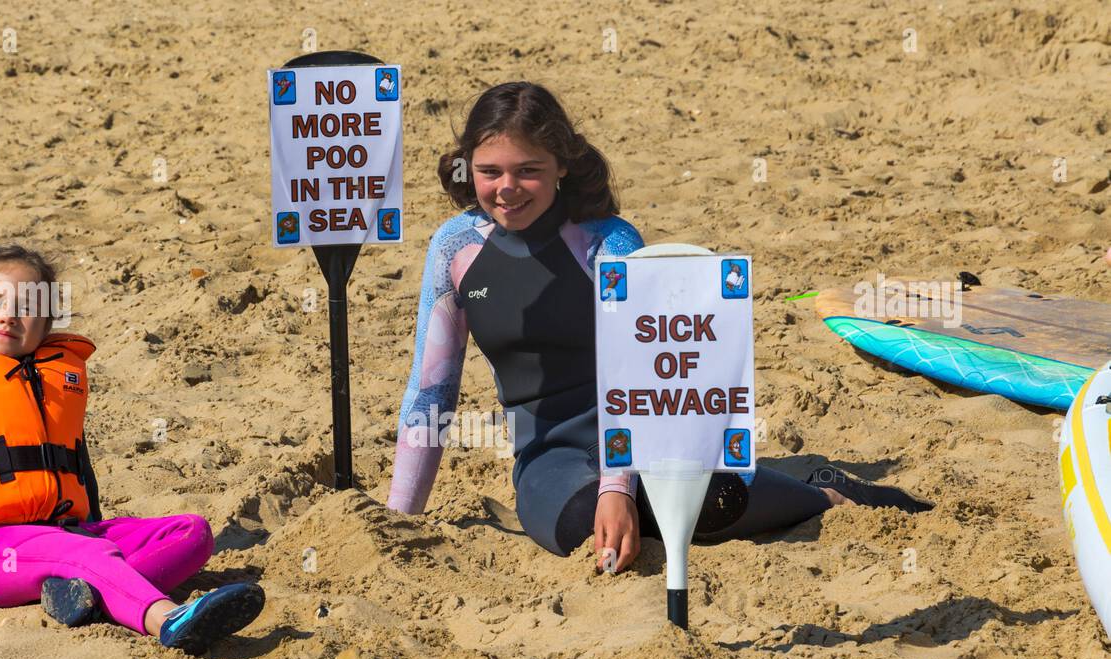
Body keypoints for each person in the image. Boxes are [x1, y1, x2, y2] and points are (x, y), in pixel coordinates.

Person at [386, 82, 931, 572]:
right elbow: (432, 389)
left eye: (528, 169)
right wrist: (399, 520)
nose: (508, 188)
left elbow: (642, 373)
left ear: (562, 166)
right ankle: (756, 494)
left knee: (712, 500)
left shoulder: (607, 242)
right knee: (581, 525)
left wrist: (617, 483)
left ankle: (823, 498)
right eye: (490, 171)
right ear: (468, 168)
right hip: (550, 457)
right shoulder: (455, 248)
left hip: (651, 438)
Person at [0, 245, 263, 654]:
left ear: (47, 323)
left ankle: (79, 593)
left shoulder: (57, 379)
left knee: (192, 533)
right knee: (89, 553)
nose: (8, 315)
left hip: (66, 533)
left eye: (26, 307)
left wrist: (94, 532)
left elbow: (79, 469)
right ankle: (168, 619)